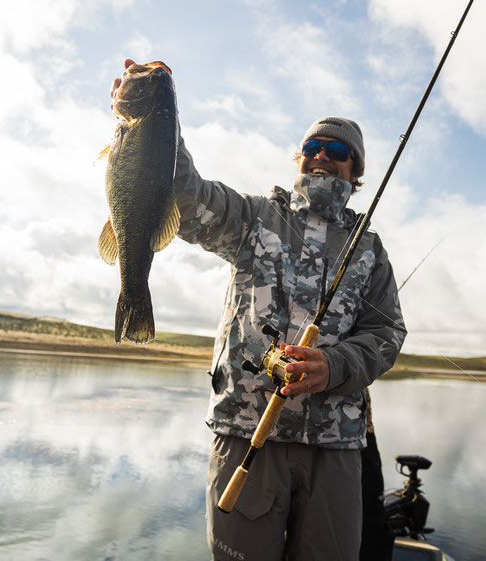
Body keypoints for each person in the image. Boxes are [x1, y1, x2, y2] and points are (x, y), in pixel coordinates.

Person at [111, 60, 406, 561]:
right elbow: (187, 196)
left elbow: (386, 333)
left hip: (336, 447)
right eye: (311, 148)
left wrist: (334, 366)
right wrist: (157, 115)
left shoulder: (370, 250)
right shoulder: (252, 217)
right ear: (298, 159)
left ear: (356, 173)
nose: (321, 158)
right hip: (245, 432)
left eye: (337, 152)